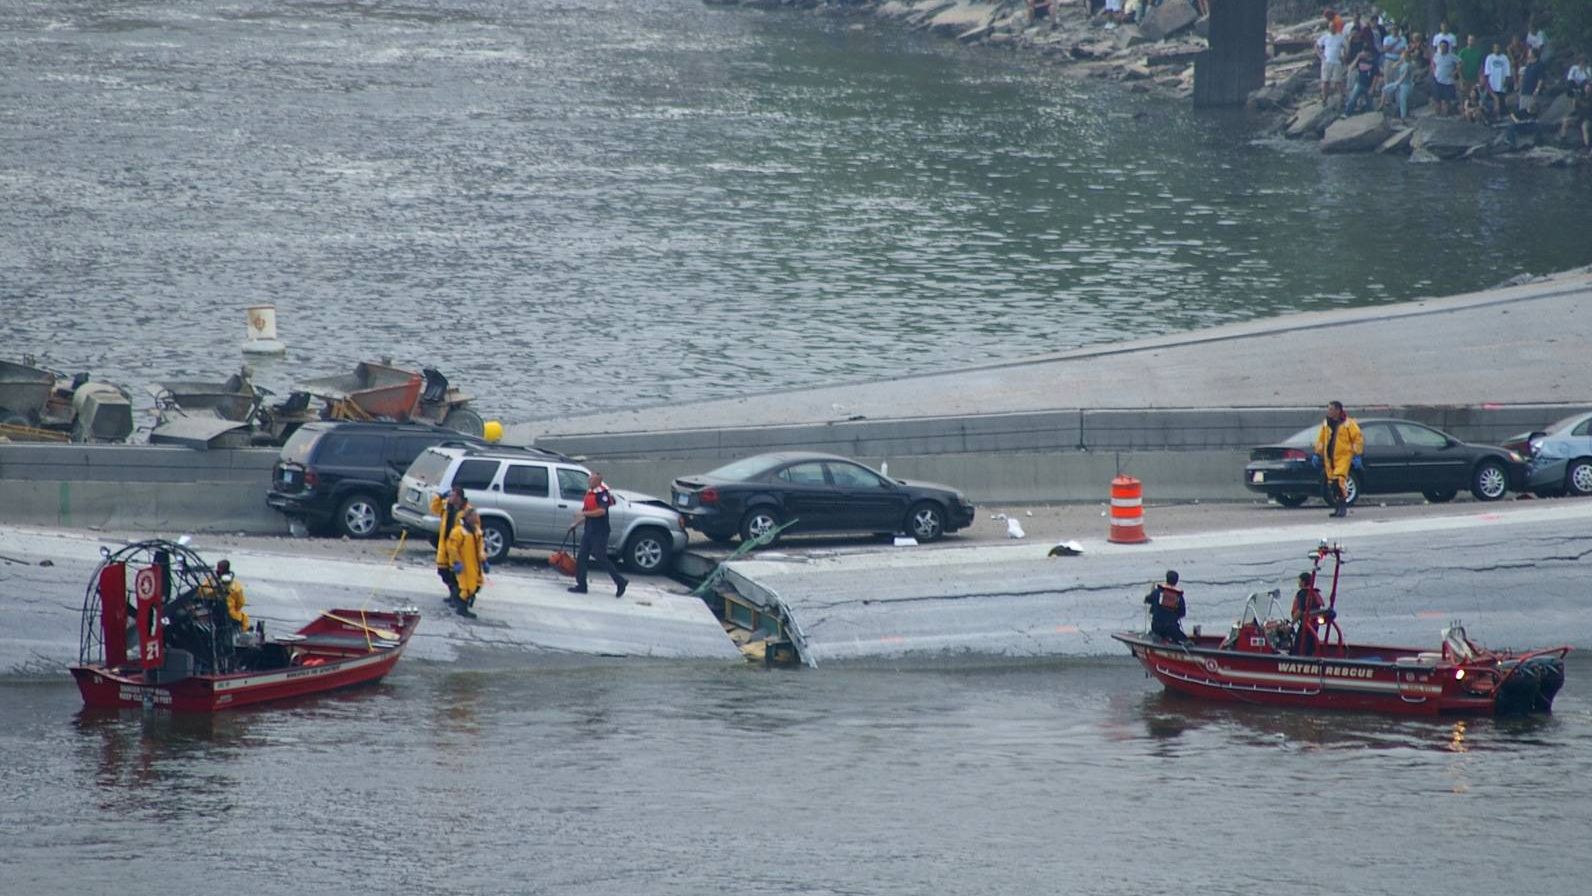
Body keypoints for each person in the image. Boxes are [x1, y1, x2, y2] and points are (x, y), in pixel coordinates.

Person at [567, 471, 628, 598]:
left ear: (598, 481)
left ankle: (620, 581)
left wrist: (583, 514)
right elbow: (589, 514)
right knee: (582, 557)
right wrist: (576, 524)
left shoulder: (602, 494)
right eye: (589, 479)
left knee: (600, 557)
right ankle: (581, 585)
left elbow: (601, 511)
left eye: (591, 479)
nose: (589, 481)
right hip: (589, 530)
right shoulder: (590, 494)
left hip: (600, 532)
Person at [1314, 400, 1364, 519]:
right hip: (1329, 458)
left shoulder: (1348, 424)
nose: (1329, 411)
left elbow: (1357, 439)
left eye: (1331, 409)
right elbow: (1321, 439)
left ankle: (1343, 507)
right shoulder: (1326, 423)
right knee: (1332, 483)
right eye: (1328, 409)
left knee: (1339, 481)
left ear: (1338, 410)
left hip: (1343, 457)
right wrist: (1317, 453)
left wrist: (1356, 454)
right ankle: (1337, 507)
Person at [430, 484, 471, 609]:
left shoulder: (467, 511)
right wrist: (439, 497)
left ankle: (458, 597)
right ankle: (452, 593)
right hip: (445, 544)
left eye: (453, 495)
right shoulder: (447, 506)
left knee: (456, 575)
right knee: (443, 571)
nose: (450, 497)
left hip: (458, 548)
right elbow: (434, 509)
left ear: (459, 497)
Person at [447, 510, 488, 618]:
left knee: (477, 585)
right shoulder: (458, 532)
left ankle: (459, 601)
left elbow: (481, 548)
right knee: (467, 588)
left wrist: (484, 561)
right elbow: (452, 548)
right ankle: (461, 608)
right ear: (467, 518)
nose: (476, 518)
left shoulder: (477, 532)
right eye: (474, 516)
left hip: (475, 565)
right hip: (464, 565)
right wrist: (456, 562)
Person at [1144, 570, 1189, 644]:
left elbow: (1147, 599)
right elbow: (1182, 613)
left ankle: (1157, 637)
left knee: (1154, 632)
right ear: (1176, 581)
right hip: (1172, 629)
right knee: (1186, 642)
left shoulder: (1157, 592)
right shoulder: (1179, 596)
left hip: (1156, 627)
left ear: (1166, 579)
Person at [1290, 572, 1326, 656]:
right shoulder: (1314, 593)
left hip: (1305, 627)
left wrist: (1290, 625)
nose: (1298, 582)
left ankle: (1297, 662)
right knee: (1309, 648)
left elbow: (1300, 610)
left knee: (1298, 649)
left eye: (1299, 580)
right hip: (1314, 627)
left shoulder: (1302, 593)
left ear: (1303, 582)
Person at [1379, 47, 1415, 121]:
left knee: (1402, 101)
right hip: (1399, 83)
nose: (1400, 56)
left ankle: (1403, 117)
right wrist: (1399, 61)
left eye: (1402, 55)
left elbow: (1404, 75)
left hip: (1406, 84)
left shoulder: (1408, 65)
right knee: (1385, 89)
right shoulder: (1402, 63)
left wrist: (1398, 83)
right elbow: (1393, 66)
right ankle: (1381, 105)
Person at [1317, 20, 1348, 105]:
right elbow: (1317, 45)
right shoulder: (1325, 37)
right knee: (1325, 81)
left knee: (1338, 81)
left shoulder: (1340, 37)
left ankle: (1342, 97)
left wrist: (1344, 57)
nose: (1332, 29)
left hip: (1337, 62)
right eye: (1330, 27)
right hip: (1327, 61)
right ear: (1328, 28)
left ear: (1335, 28)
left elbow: (1346, 47)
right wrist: (1321, 56)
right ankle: (1324, 99)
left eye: (1333, 27)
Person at [1558, 80, 1592, 152]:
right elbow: (1574, 108)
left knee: (1585, 126)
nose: (1588, 89)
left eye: (1590, 88)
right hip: (1579, 118)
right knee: (1566, 121)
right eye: (1587, 87)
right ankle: (1563, 141)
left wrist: (1579, 101)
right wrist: (1574, 101)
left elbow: (1587, 106)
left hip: (1589, 118)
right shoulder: (1581, 96)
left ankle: (1587, 146)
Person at [1430, 40, 1461, 116]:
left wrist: (1455, 72)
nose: (1443, 48)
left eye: (1445, 47)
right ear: (1439, 47)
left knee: (1447, 100)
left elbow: (1460, 62)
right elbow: (1433, 63)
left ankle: (1446, 115)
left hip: (1448, 82)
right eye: (1442, 46)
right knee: (1437, 100)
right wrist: (1434, 71)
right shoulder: (1436, 55)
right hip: (1437, 81)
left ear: (1448, 47)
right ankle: (1437, 115)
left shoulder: (1451, 56)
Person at [1344, 48, 1380, 114]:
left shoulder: (1374, 62)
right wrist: (1357, 58)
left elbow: (1376, 76)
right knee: (1352, 99)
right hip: (1359, 83)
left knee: (1369, 102)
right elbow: (1351, 68)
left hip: (1369, 85)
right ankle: (1347, 113)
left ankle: (1369, 114)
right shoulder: (1360, 60)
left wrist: (1372, 88)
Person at [1483, 42, 1512, 119]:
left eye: (1498, 47)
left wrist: (1506, 83)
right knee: (1491, 104)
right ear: (1493, 49)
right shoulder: (1489, 58)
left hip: (1501, 87)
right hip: (1492, 86)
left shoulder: (1505, 58)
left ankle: (1501, 117)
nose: (1497, 49)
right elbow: (1486, 74)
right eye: (1495, 48)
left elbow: (1508, 73)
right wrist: (1488, 86)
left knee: (1502, 104)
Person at [1517, 50, 1546, 116]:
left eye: (1530, 52)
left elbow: (1541, 79)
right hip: (1524, 91)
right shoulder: (1529, 65)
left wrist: (1537, 89)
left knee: (1531, 111)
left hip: (1532, 93)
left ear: (1533, 54)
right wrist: (1520, 89)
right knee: (1522, 112)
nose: (1528, 54)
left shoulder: (1539, 65)